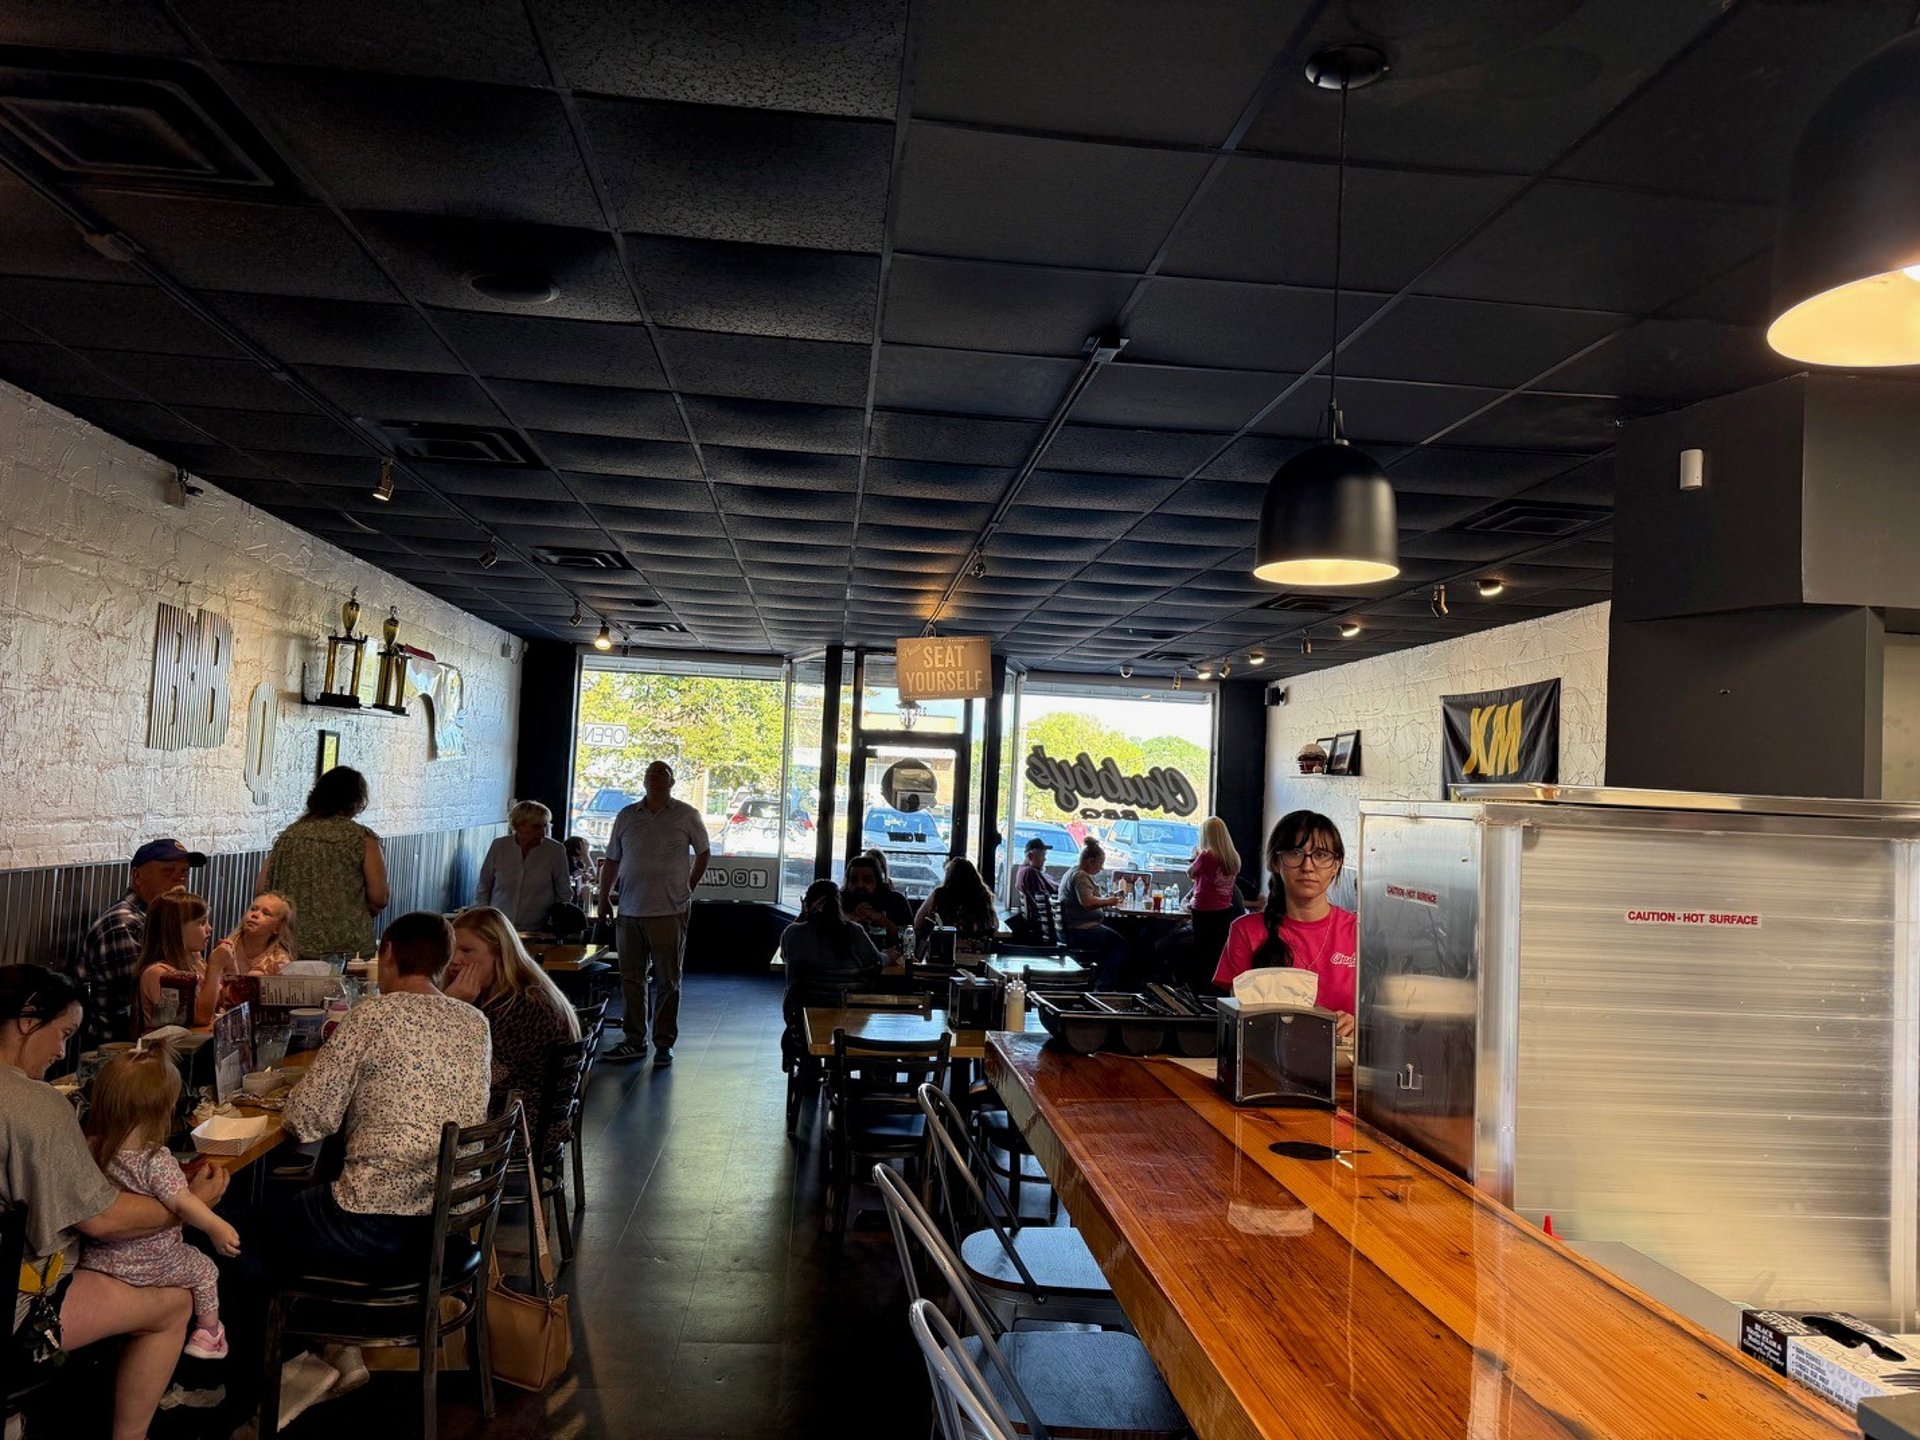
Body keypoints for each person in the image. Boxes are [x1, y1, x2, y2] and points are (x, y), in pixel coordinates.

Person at [1, 965, 226, 1440]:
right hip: (16, 1313)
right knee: (175, 1301)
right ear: (26, 1020)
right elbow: (103, 1221)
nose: (62, 1050)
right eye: (62, 1033)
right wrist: (189, 1203)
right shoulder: (36, 1104)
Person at [80, 1043, 242, 1362]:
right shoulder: (156, 1160)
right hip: (154, 1264)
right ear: (165, 1109)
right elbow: (182, 1203)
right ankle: (209, 1333)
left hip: (101, 1260)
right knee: (205, 1269)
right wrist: (216, 1226)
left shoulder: (90, 1148)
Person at [446, 907, 582, 1166]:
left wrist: (452, 1007)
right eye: (451, 949)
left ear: (499, 952)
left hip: (520, 1126)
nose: (454, 960)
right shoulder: (508, 991)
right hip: (524, 1114)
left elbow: (483, 1079)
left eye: (466, 950)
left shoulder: (521, 1004)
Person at [597, 761, 710, 1067]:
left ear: (672, 781)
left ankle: (663, 1042)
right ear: (644, 781)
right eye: (651, 773)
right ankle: (634, 1039)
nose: (656, 778)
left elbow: (703, 852)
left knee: (667, 979)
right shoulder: (626, 815)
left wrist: (688, 886)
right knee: (631, 979)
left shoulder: (686, 814)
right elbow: (612, 859)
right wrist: (605, 898)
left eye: (663, 774)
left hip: (669, 909)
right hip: (630, 909)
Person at [1212, 811, 1358, 1040]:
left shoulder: (1359, 934)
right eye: (1295, 853)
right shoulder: (1246, 931)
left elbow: (1384, 1022)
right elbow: (1237, 1022)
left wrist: (1360, 1025)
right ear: (1275, 862)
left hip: (1344, 1068)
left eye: (1321, 854)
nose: (1308, 866)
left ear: (1336, 865)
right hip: (1266, 1066)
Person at [72, 837, 206, 1044]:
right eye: (168, 871)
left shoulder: (163, 921)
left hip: (156, 1042)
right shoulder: (123, 924)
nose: (179, 880)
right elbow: (147, 1000)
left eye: (184, 872)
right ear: (137, 876)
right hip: (119, 1048)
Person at [260, 766, 389, 960]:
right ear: (356, 800)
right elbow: (379, 897)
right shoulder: (361, 839)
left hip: (288, 945)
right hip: (346, 949)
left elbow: (262, 889)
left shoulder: (288, 836)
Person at [779, 881, 882, 1065]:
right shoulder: (854, 931)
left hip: (807, 1013)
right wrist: (891, 954)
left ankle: (811, 1067)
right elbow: (876, 961)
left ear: (806, 903)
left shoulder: (793, 933)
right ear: (839, 904)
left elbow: (785, 955)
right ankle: (841, 1072)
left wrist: (804, 913)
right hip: (851, 1014)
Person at [131, 889, 220, 1033]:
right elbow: (201, 1017)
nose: (209, 928)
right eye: (202, 922)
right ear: (176, 928)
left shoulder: (195, 961)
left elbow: (223, 1002)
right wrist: (216, 967)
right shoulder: (158, 973)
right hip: (167, 1053)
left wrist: (231, 964)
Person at [475, 800, 572, 932]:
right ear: (518, 826)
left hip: (538, 929)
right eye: (536, 827)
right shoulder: (499, 846)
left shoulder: (555, 851)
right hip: (499, 926)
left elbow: (564, 892)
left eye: (545, 826)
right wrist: (483, 917)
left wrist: (555, 923)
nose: (542, 833)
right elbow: (484, 886)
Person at [1060, 840, 1128, 988]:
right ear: (1091, 861)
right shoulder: (1081, 876)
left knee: (1116, 937)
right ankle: (1104, 984)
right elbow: (1087, 902)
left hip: (1071, 929)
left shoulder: (1072, 871)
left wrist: (1105, 899)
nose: (1101, 868)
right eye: (1100, 864)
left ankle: (1102, 979)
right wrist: (1109, 901)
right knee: (1119, 943)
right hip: (1080, 930)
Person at [1187, 816, 1243, 983]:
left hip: (1203, 909)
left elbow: (1190, 873)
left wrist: (1197, 857)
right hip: (1225, 909)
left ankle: (1199, 987)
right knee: (1217, 950)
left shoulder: (1206, 856)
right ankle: (1215, 986)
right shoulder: (1233, 857)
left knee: (1201, 951)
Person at [914, 857, 997, 960]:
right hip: (980, 958)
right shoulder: (984, 896)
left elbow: (918, 923)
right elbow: (993, 924)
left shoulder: (940, 895)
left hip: (944, 955)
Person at [209, 892, 298, 978]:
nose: (255, 914)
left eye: (266, 913)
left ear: (277, 928)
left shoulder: (279, 962)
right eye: (253, 909)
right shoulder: (227, 948)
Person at [842, 854, 914, 939]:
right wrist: (847, 918)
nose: (860, 885)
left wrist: (878, 918)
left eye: (867, 880)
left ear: (878, 881)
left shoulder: (896, 901)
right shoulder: (839, 901)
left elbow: (909, 937)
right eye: (854, 880)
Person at [1011, 837, 1059, 927]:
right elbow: (1044, 902)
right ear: (1030, 856)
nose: (1045, 859)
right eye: (1042, 855)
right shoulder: (1030, 872)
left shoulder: (1027, 871)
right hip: (1050, 921)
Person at [564, 836, 596, 910]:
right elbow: (594, 877)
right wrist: (586, 855)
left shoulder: (578, 863)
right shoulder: (568, 863)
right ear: (578, 850)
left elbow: (591, 877)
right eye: (585, 845)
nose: (588, 848)